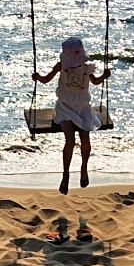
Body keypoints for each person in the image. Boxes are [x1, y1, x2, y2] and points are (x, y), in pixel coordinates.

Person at [32, 36, 110, 194]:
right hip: (64, 108)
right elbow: (47, 79)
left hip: (83, 108)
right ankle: (65, 174)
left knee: (85, 137)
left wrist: (104, 76)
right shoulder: (61, 66)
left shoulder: (87, 68)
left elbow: (95, 82)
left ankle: (84, 168)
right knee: (70, 139)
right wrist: (38, 77)